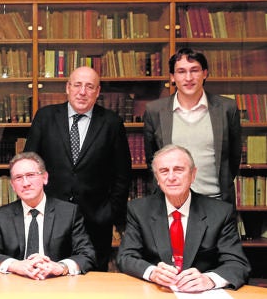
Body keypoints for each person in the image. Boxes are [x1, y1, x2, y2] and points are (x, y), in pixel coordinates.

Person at [24, 66, 131, 271]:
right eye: (78, 85)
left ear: (97, 92)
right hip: (50, 217)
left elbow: (122, 175)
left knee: (93, 279)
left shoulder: (111, 123)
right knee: (50, 275)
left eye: (89, 86)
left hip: (96, 221)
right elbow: (30, 164)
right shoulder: (45, 117)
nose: (82, 92)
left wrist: (110, 212)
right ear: (68, 87)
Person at [117, 144, 250, 292]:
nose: (171, 177)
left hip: (201, 294)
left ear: (193, 174)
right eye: (164, 171)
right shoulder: (139, 210)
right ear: (157, 179)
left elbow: (237, 263)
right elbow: (126, 257)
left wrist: (209, 279)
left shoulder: (220, 213)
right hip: (156, 292)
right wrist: (152, 272)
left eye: (179, 170)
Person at [143, 48, 241, 204]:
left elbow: (233, 158)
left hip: (216, 201)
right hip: (171, 203)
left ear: (205, 73)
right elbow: (152, 160)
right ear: (173, 77)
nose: (188, 78)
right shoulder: (154, 111)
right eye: (181, 71)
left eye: (194, 70)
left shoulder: (227, 108)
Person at [0, 152, 96, 280]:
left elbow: (87, 254)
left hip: (57, 283)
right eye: (18, 178)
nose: (25, 183)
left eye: (30, 175)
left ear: (45, 178)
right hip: (15, 283)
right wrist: (15, 265)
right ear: (12, 185)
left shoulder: (69, 213)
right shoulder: (0, 216)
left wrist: (60, 267)